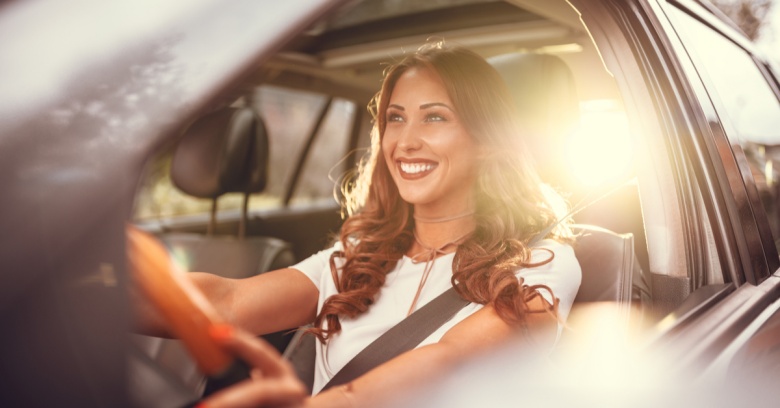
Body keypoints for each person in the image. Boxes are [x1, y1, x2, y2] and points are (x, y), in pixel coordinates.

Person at [133, 41, 582, 407]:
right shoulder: (357, 257)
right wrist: (93, 296)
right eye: (395, 118)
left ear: (486, 140)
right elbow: (227, 302)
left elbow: (450, 359)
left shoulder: (541, 262)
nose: (406, 142)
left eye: (435, 117)